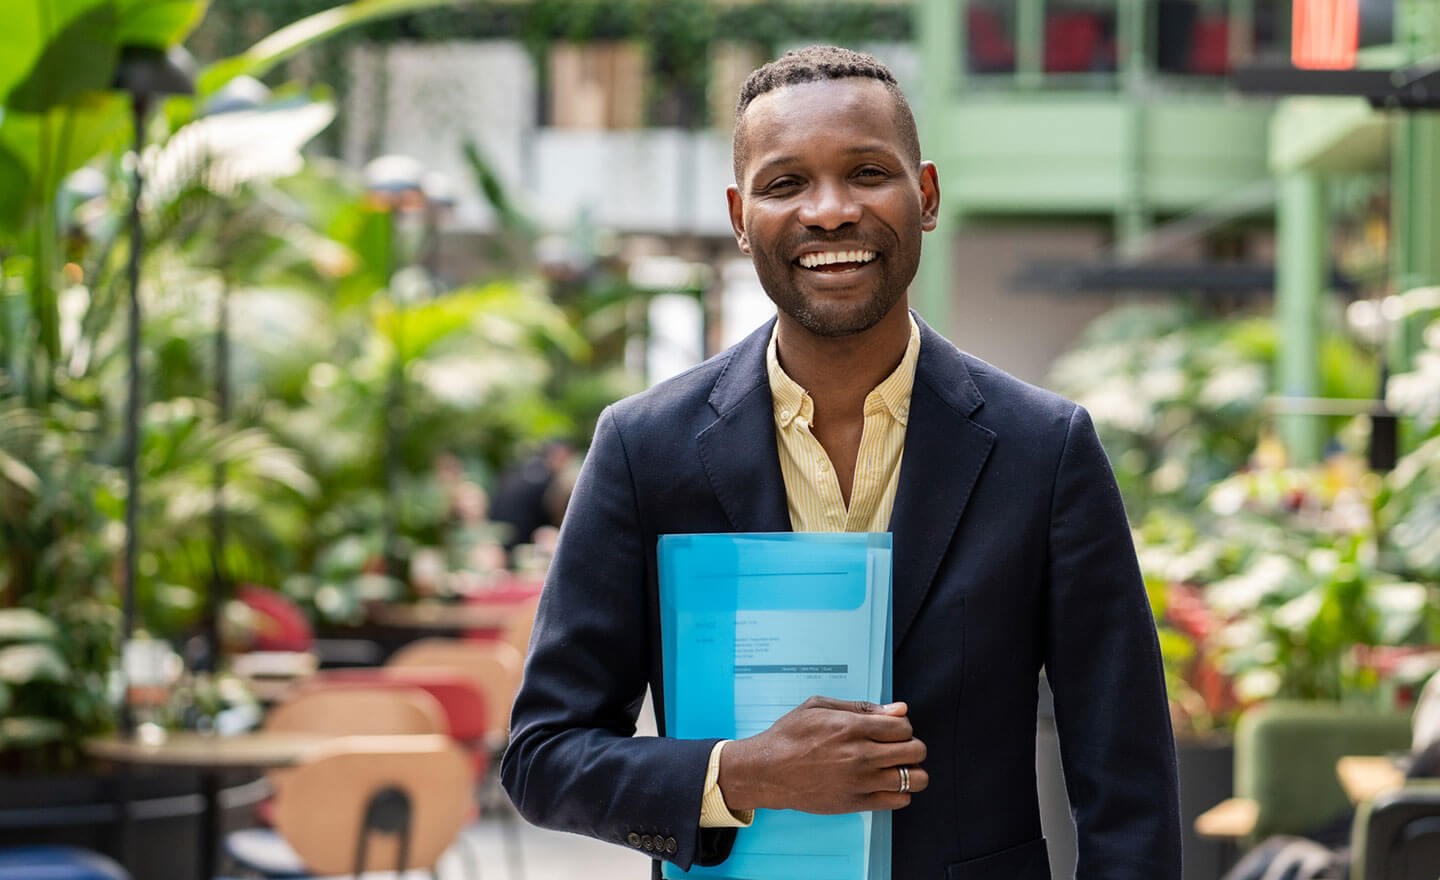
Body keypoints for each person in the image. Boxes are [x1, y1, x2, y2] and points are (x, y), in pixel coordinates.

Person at [501, 45, 1181, 879]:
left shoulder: (1045, 449)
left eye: (867, 173)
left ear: (925, 196)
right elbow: (544, 755)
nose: (829, 212)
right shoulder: (647, 448)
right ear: (739, 216)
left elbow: (1128, 785)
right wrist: (744, 774)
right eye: (786, 184)